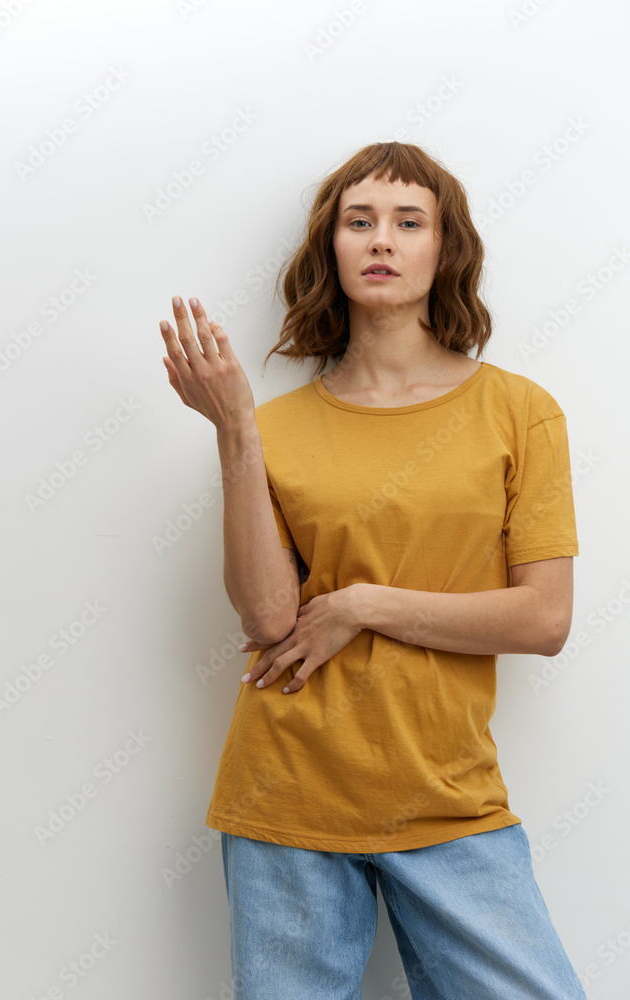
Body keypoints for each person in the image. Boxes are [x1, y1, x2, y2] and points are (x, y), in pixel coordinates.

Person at [158, 142, 587, 999]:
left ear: (444, 249)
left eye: (407, 221)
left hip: (447, 796)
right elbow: (272, 624)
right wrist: (235, 430)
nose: (380, 239)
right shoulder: (274, 426)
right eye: (359, 222)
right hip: (286, 794)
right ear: (331, 249)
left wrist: (362, 602)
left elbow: (542, 621)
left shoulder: (519, 411)